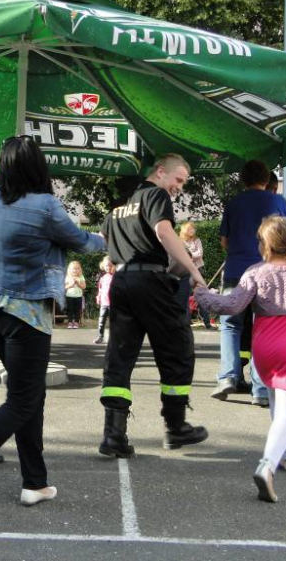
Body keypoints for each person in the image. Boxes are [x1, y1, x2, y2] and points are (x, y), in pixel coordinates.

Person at [0, 134, 105, 522]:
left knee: (28, 396)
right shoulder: (45, 205)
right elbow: (80, 241)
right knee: (23, 400)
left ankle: (35, 482)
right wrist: (109, 235)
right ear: (37, 166)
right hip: (26, 312)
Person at [196, 216, 286, 503]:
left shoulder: (256, 272)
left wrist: (202, 294)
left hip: (264, 346)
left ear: (264, 244)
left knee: (277, 404)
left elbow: (232, 305)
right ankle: (267, 466)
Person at [98, 153, 208, 458]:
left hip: (121, 284)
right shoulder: (155, 195)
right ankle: (175, 427)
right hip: (149, 282)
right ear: (161, 172)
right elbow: (163, 232)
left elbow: (105, 239)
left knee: (119, 356)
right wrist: (194, 271)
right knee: (178, 346)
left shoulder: (119, 205)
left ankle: (113, 436)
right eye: (178, 180)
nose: (179, 187)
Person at [214, 161, 286, 406]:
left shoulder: (234, 203)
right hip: (268, 273)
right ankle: (260, 390)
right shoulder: (278, 202)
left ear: (243, 179)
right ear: (267, 179)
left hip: (236, 273)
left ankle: (228, 377)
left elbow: (224, 242)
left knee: (230, 326)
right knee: (262, 329)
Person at [180, 222, 212, 328]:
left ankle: (207, 322)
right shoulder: (180, 242)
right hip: (186, 271)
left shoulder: (197, 240)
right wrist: (190, 256)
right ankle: (186, 321)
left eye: (194, 229)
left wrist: (189, 256)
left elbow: (200, 254)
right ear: (185, 230)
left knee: (202, 295)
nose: (193, 230)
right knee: (185, 296)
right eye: (190, 229)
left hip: (198, 270)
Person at [94, 256, 114, 344]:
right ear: (103, 266)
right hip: (104, 303)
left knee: (114, 322)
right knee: (101, 321)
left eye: (110, 265)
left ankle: (114, 339)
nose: (108, 267)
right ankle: (100, 336)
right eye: (106, 266)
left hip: (114, 304)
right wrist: (98, 297)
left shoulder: (117, 277)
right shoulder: (103, 278)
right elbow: (100, 289)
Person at [64, 260, 85, 328]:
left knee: (77, 310)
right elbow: (65, 287)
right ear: (70, 270)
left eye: (77, 269)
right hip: (69, 296)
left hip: (78, 296)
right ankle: (70, 322)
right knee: (70, 309)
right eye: (73, 269)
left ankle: (76, 322)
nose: (75, 270)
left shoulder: (81, 277)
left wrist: (78, 283)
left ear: (79, 270)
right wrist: (71, 284)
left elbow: (84, 286)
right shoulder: (68, 277)